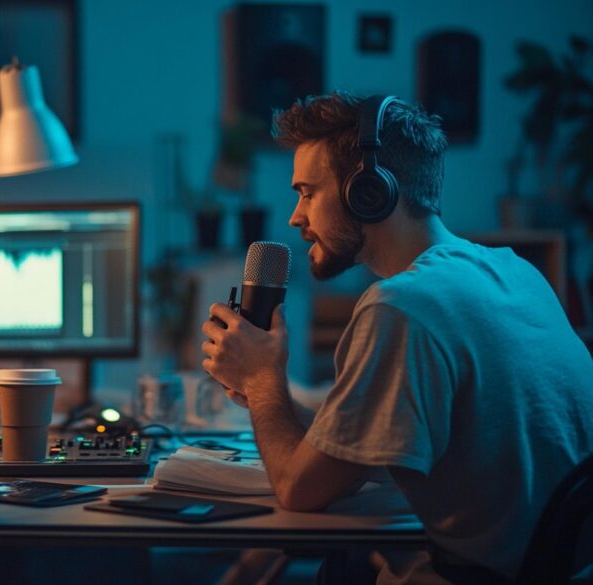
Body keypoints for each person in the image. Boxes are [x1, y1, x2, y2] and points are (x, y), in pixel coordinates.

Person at [201, 93, 593, 583]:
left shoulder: (403, 306)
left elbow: (300, 491)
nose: (294, 217)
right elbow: (361, 447)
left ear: (368, 191)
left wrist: (263, 383)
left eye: (307, 192)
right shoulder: (515, 272)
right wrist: (266, 393)